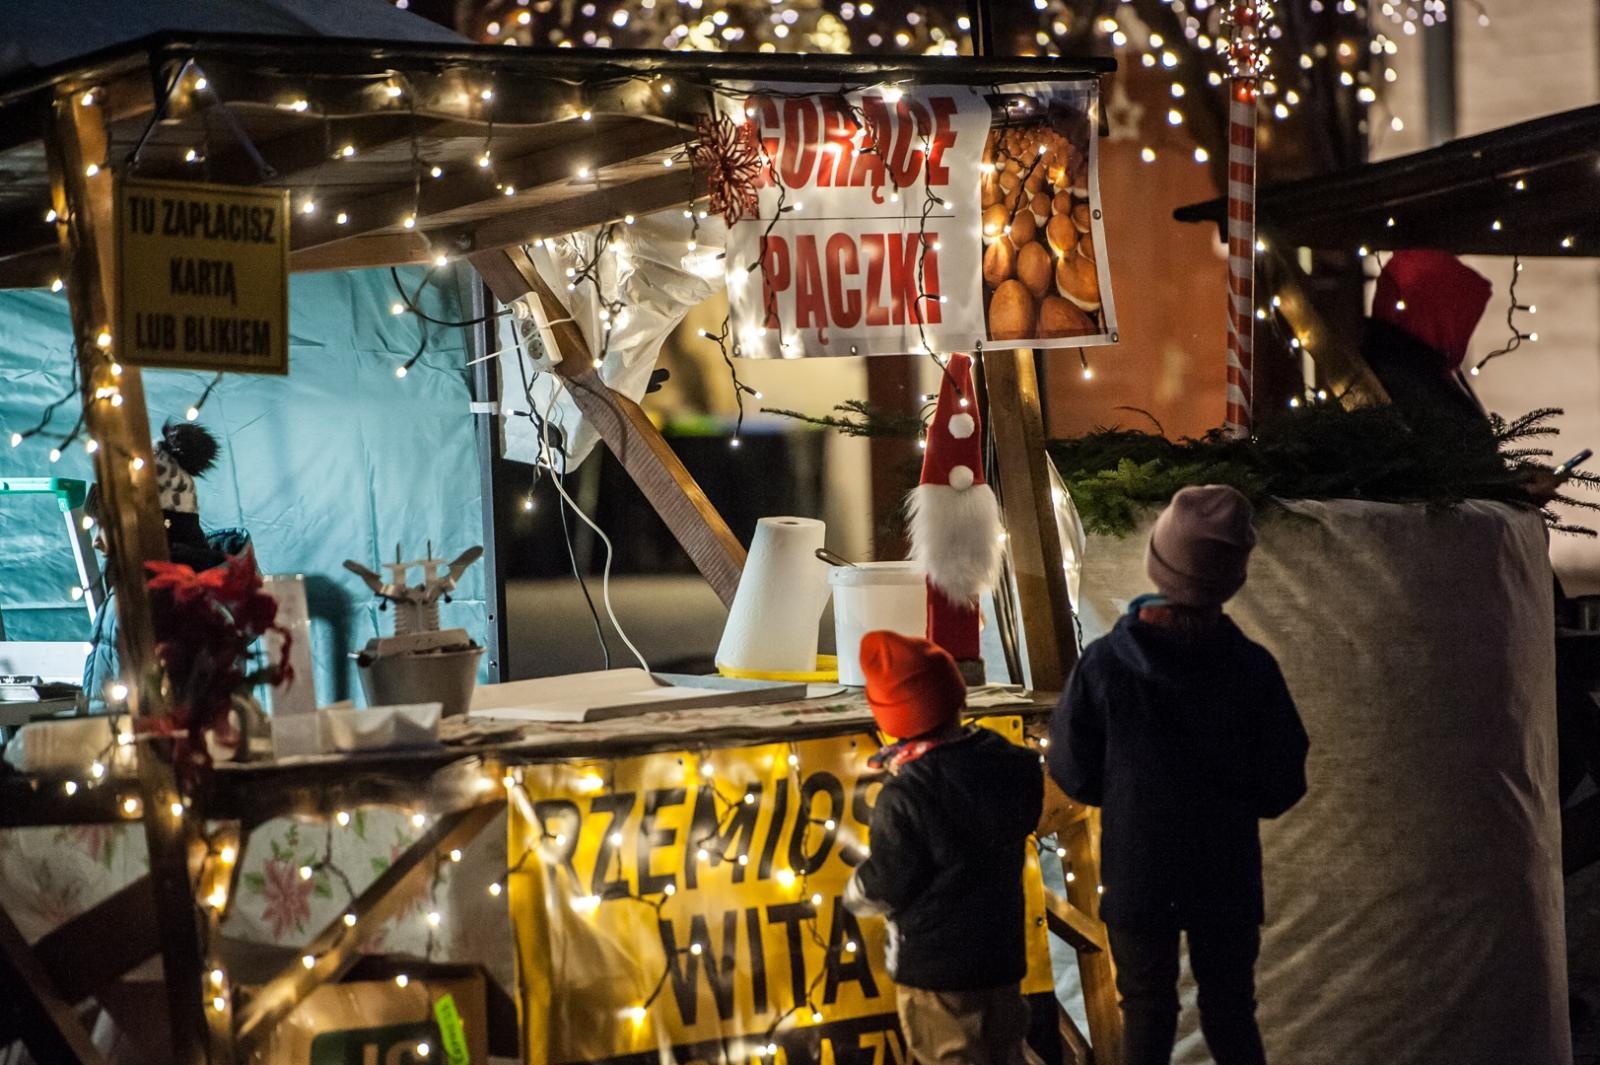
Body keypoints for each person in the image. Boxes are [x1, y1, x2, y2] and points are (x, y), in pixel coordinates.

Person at [1046, 485, 1308, 1065]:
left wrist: (1125, 795)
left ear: (1157, 563)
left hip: (1138, 870)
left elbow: (1073, 770)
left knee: (1145, 1010)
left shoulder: (1105, 665)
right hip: (1228, 872)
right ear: (1231, 579)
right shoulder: (1253, 669)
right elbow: (1283, 780)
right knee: (1232, 1011)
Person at [843, 629, 1044, 1065]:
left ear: (891, 720)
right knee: (1006, 1052)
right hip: (1002, 959)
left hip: (937, 972)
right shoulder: (1013, 766)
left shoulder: (906, 795)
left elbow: (890, 879)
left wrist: (856, 891)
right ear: (957, 697)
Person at [81, 420, 248, 712]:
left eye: (103, 526)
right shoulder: (182, 586)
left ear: (140, 525)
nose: (96, 541)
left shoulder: (164, 597)